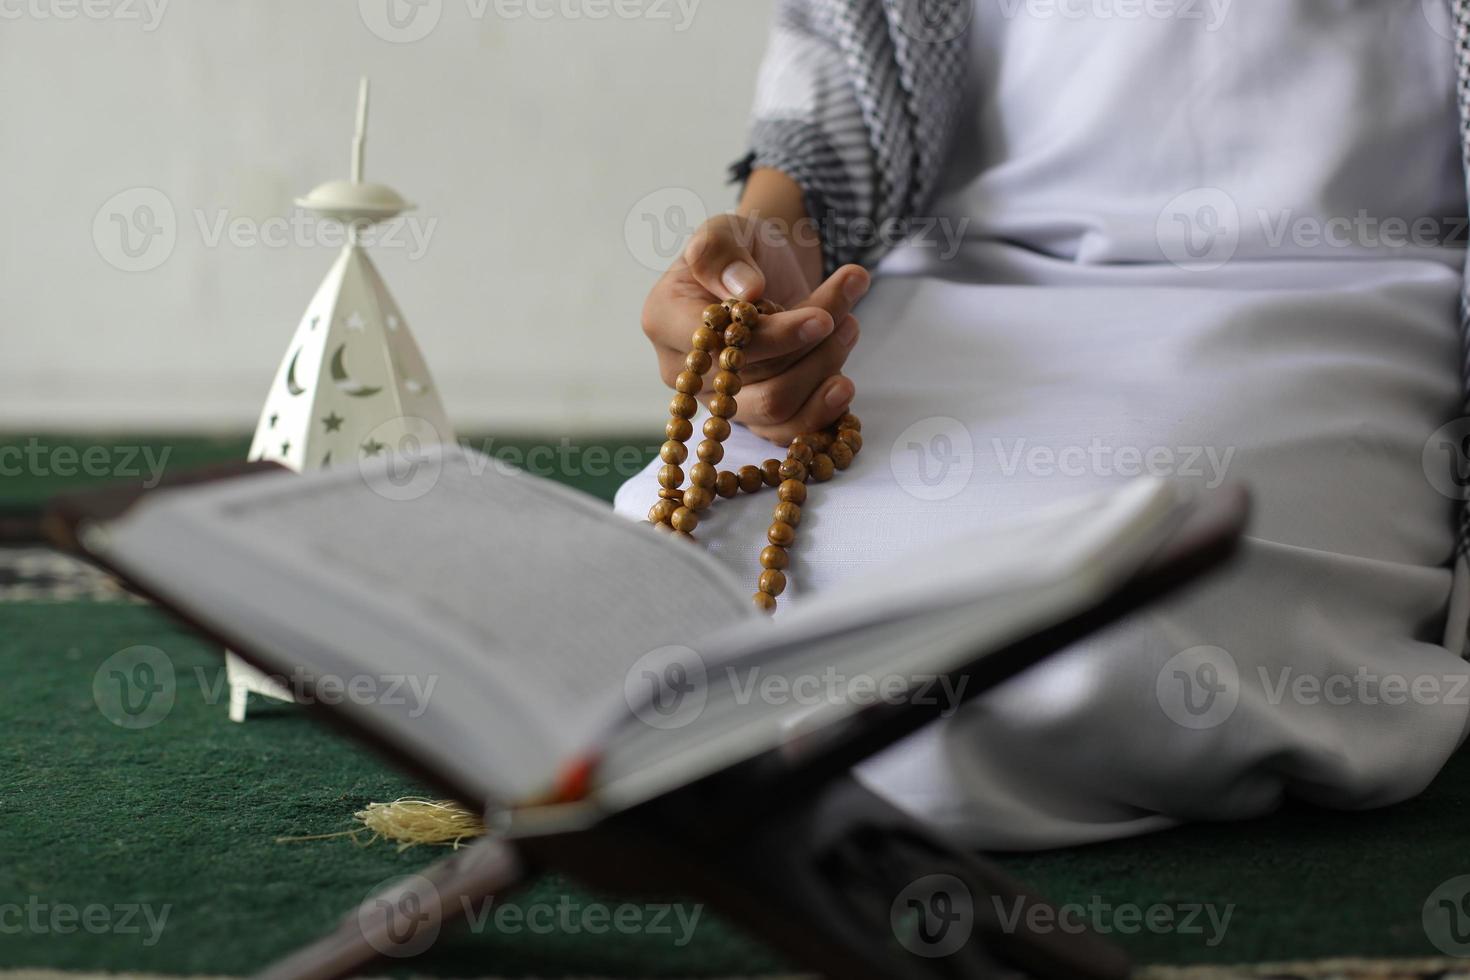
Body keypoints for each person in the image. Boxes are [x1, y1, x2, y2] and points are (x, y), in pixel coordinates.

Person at [615, 0, 1470, 849]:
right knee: (672, 561)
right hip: (951, 284)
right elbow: (845, 62)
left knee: (1096, 635)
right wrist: (770, 247)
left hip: (1338, 286)